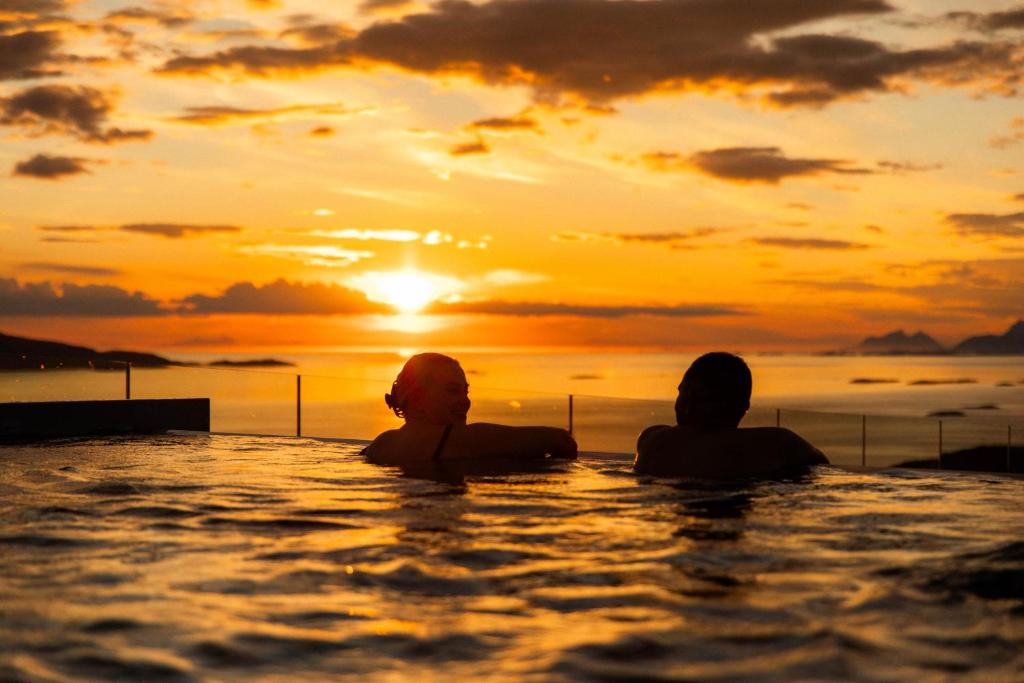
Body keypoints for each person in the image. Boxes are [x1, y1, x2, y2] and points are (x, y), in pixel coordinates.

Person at [363, 352, 577, 469]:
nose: (465, 402)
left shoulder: (382, 444)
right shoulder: (462, 440)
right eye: (452, 391)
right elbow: (560, 440)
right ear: (418, 397)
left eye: (465, 392)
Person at [634, 352, 828, 478]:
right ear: (744, 407)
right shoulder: (776, 444)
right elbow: (822, 464)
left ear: (687, 401)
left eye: (681, 392)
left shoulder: (652, 439)